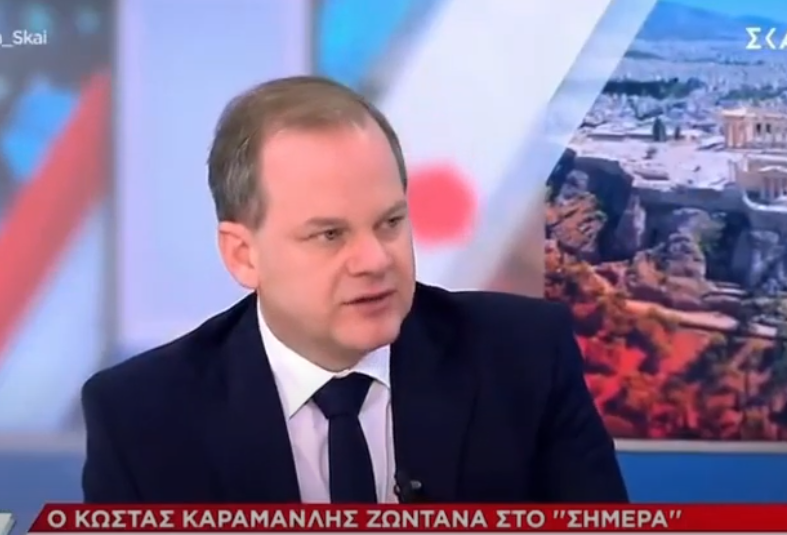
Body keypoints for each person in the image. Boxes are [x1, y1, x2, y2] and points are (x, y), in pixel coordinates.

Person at [81, 76, 628, 504]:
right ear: (243, 254)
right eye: (330, 234)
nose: (375, 260)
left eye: (390, 223)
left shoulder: (525, 358)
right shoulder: (142, 418)